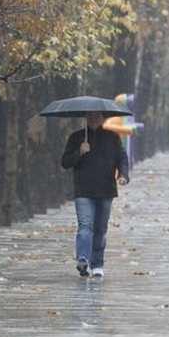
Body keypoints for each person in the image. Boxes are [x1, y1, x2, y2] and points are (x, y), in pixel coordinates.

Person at [61, 112, 129, 278]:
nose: (94, 119)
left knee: (100, 229)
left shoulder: (112, 137)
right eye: (90, 116)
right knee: (85, 226)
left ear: (102, 118)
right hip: (83, 190)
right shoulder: (77, 137)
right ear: (85, 118)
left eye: (97, 116)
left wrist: (123, 175)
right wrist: (80, 152)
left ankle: (97, 264)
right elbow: (65, 162)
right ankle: (83, 259)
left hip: (106, 190)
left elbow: (122, 158)